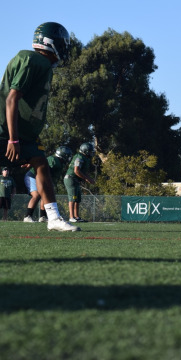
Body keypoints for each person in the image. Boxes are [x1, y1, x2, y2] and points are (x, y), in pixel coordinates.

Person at [0, 22, 79, 231]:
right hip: (5, 131)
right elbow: (11, 99)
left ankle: (53, 218)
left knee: (41, 162)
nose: (64, 49)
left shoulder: (42, 66)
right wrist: (13, 139)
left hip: (21, 133)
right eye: (62, 44)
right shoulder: (33, 60)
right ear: (50, 43)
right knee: (41, 163)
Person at [24, 146, 72, 222]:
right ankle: (27, 216)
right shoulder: (53, 159)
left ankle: (43, 217)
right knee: (36, 195)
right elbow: (44, 171)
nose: (69, 158)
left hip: (40, 177)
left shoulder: (60, 163)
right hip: (33, 176)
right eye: (67, 155)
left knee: (45, 195)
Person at [64, 142, 95, 223]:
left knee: (77, 199)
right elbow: (76, 170)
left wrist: (89, 178)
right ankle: (71, 217)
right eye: (90, 151)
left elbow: (84, 171)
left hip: (76, 179)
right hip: (71, 178)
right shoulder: (79, 157)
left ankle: (76, 216)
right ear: (85, 151)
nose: (91, 153)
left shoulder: (86, 158)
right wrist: (86, 179)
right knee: (73, 198)